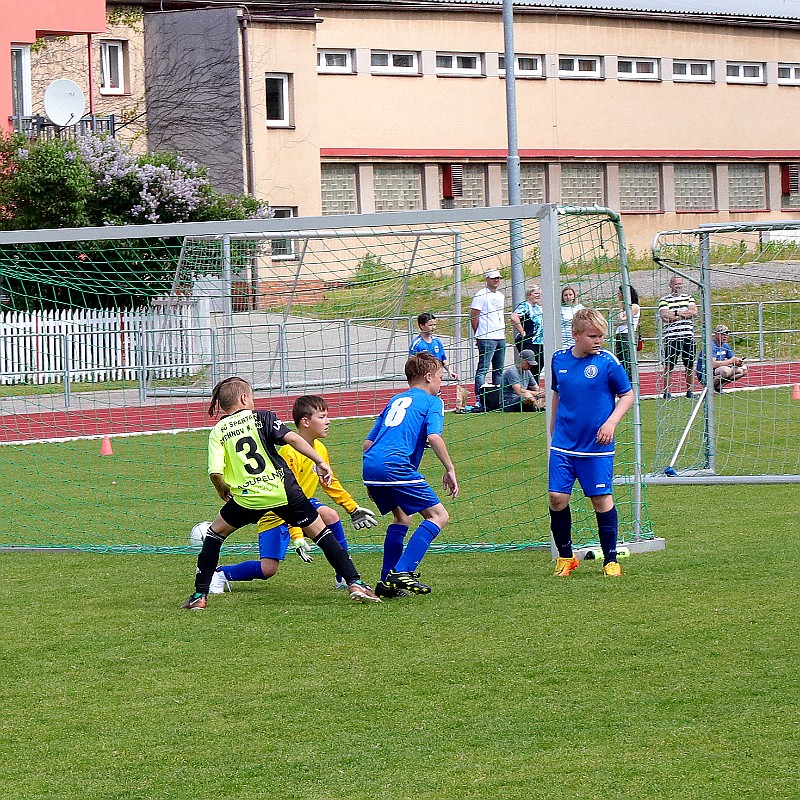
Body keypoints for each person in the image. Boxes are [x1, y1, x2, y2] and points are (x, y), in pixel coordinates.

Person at [181, 377, 380, 610]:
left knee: (214, 536)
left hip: (247, 497)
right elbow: (293, 438)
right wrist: (319, 461)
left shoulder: (218, 431)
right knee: (322, 534)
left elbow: (215, 472)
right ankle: (354, 583)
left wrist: (221, 488)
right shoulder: (262, 417)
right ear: (245, 398)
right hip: (282, 491)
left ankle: (199, 595)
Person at [363, 352, 459, 598]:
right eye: (440, 377)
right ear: (429, 377)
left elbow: (367, 444)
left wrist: (371, 483)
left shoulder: (396, 400)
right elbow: (434, 437)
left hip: (371, 466)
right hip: (394, 466)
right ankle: (403, 570)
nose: (441, 383)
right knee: (439, 515)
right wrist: (450, 468)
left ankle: (386, 583)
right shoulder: (432, 402)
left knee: (402, 518)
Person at [548, 308, 634, 578]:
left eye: (601, 336)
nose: (599, 341)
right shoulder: (558, 359)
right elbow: (557, 395)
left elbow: (628, 395)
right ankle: (565, 557)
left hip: (596, 446)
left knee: (600, 499)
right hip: (563, 443)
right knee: (557, 498)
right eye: (593, 336)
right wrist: (553, 428)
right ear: (576, 335)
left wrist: (611, 423)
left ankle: (610, 560)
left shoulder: (608, 362)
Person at [470, 268, 506, 408]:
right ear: (487, 279)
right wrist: (478, 333)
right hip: (486, 336)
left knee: (499, 369)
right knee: (483, 369)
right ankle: (480, 399)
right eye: (493, 278)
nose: (496, 280)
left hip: (500, 336)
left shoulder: (501, 295)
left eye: (498, 278)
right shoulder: (480, 295)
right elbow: (474, 316)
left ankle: (498, 398)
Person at [658, 275, 698, 399]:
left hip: (687, 335)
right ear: (670, 285)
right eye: (676, 284)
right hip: (672, 336)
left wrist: (675, 314)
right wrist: (681, 313)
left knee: (690, 364)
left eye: (680, 284)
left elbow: (693, 312)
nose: (678, 286)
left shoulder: (689, 298)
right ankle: (667, 392)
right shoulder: (664, 300)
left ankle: (690, 391)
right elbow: (665, 316)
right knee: (669, 365)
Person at [479, 349, 545, 412]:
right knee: (527, 395)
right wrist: (537, 394)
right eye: (529, 363)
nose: (531, 366)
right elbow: (519, 391)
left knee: (545, 394)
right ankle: (538, 407)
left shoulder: (527, 371)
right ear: (522, 360)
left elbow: (536, 388)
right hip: (508, 402)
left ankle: (537, 407)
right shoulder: (512, 372)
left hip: (521, 400)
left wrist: (544, 392)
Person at [696, 324, 748, 392]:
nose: (725, 336)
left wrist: (739, 362)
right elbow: (713, 364)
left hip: (718, 371)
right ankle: (708, 389)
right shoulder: (711, 345)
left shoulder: (725, 346)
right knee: (725, 371)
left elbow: (732, 359)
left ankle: (718, 387)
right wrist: (732, 361)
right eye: (723, 334)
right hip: (705, 373)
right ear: (716, 334)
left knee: (743, 369)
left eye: (727, 334)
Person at [409, 312, 460, 380]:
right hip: (423, 380)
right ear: (422, 326)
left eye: (435, 325)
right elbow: (412, 364)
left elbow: (443, 359)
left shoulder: (437, 342)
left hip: (436, 378)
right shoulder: (416, 344)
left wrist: (450, 371)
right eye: (430, 325)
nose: (433, 328)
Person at [509, 285, 544, 381]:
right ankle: (527, 388)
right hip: (529, 341)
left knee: (539, 365)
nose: (538, 296)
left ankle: (534, 387)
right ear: (529, 295)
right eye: (536, 293)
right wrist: (521, 331)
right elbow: (513, 317)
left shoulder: (537, 308)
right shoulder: (525, 306)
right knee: (530, 366)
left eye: (539, 294)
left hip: (539, 341)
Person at [614, 285, 641, 380]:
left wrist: (621, 308)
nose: (618, 295)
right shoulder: (625, 307)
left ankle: (631, 384)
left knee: (627, 361)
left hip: (627, 336)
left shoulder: (633, 306)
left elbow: (623, 319)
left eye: (620, 293)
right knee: (621, 361)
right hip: (620, 335)